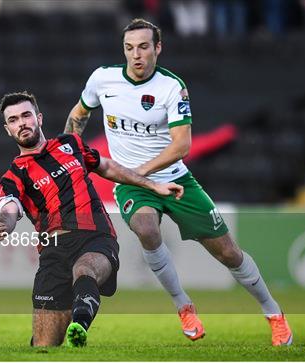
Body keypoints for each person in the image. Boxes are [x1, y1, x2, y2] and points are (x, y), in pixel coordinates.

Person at [64, 18, 293, 346]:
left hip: (176, 179)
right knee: (145, 228)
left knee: (229, 253)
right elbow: (79, 113)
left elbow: (181, 146)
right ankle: (183, 306)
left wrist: (142, 170)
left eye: (143, 47)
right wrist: (69, 150)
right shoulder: (103, 79)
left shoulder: (172, 87)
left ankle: (274, 313)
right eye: (129, 48)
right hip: (132, 183)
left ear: (158, 48)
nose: (136, 55)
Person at [0, 91, 184, 348]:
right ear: (8, 129)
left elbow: (107, 167)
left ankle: (79, 325)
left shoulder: (70, 144)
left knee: (85, 269)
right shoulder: (13, 176)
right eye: (13, 120)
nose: (21, 123)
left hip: (96, 237)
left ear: (39, 118)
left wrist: (152, 185)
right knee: (44, 346)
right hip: (53, 254)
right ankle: (64, 329)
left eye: (26, 115)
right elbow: (9, 206)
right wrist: (6, 223)